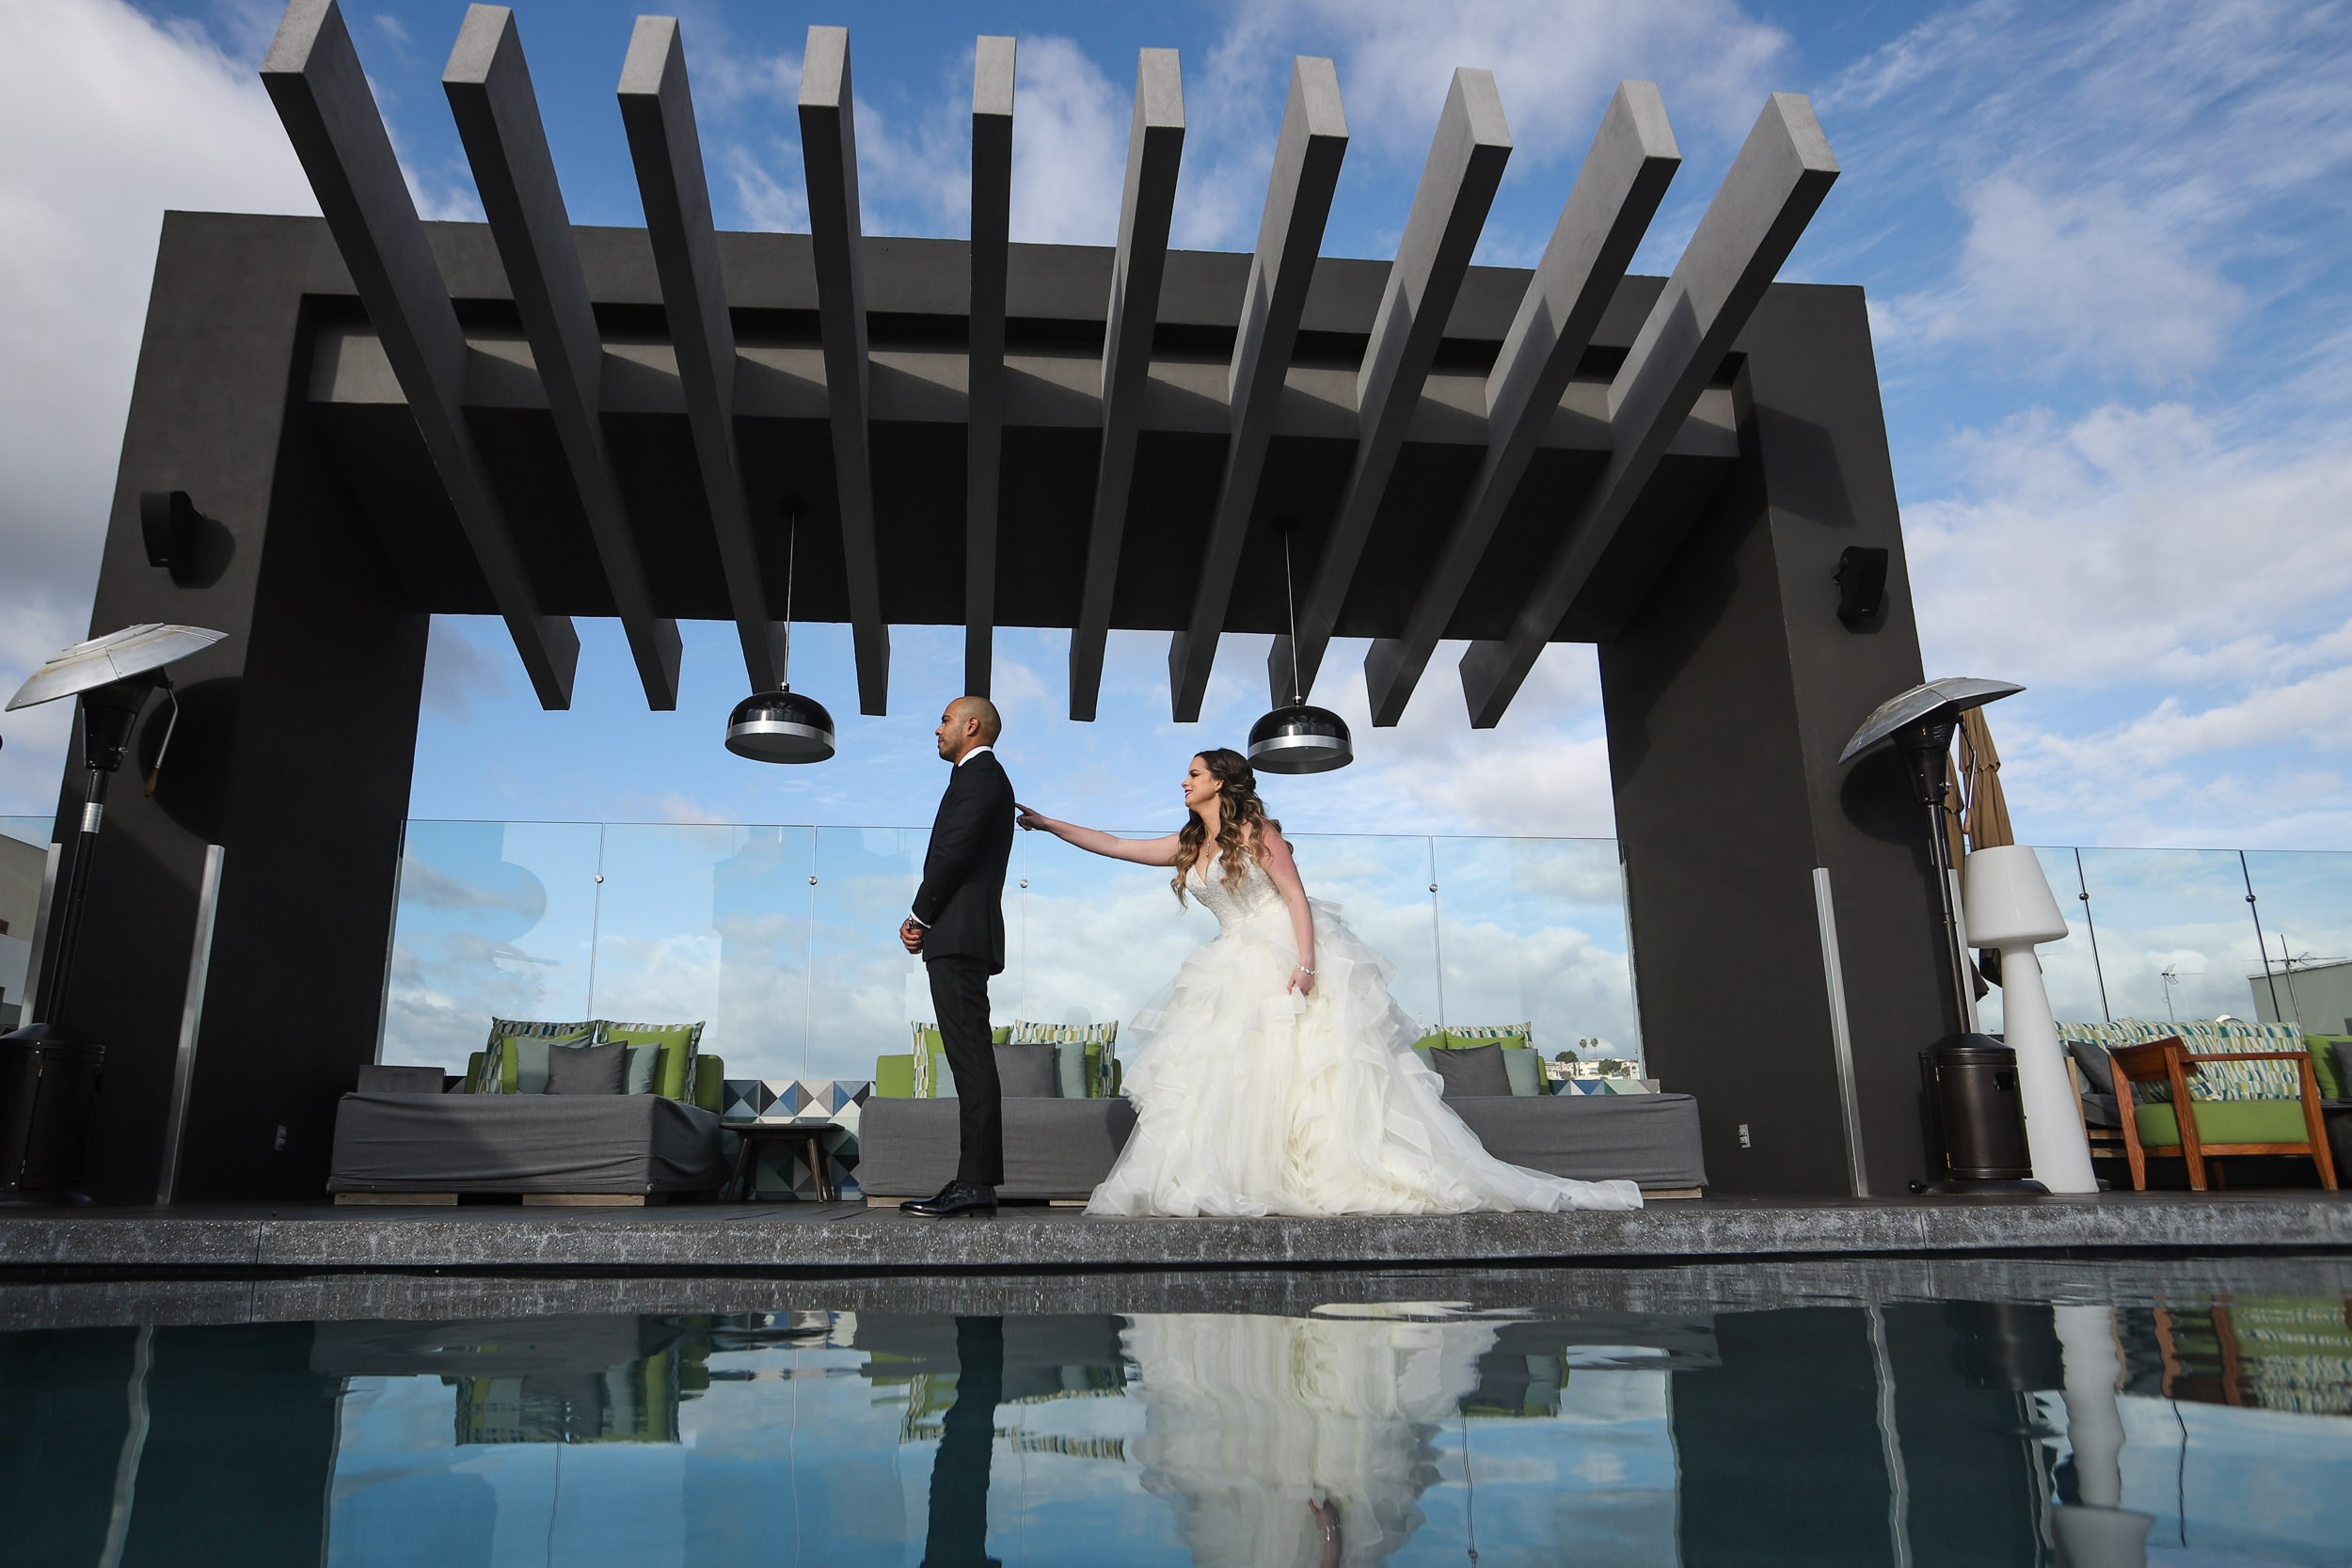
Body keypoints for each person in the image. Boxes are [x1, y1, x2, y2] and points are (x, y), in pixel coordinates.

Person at [1016, 749, 1642, 1217]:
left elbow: (1295, 895)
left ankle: (1328, 1169)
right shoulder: (1189, 844)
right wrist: (1047, 823)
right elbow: (1116, 844)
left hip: (1285, 952)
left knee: (1311, 1070)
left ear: (1221, 783)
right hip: (1230, 962)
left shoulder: (1257, 834)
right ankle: (1251, 1176)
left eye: (1194, 773)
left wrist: (1308, 963)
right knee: (1240, 1074)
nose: (1185, 781)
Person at [898, 697, 1017, 1218]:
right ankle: (973, 1181)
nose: (937, 728)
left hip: (959, 937)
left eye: (945, 720)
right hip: (962, 937)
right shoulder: (978, 778)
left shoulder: (981, 776)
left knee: (970, 1058)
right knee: (969, 1057)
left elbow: (953, 853)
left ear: (971, 726)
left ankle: (976, 1183)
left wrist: (919, 917)